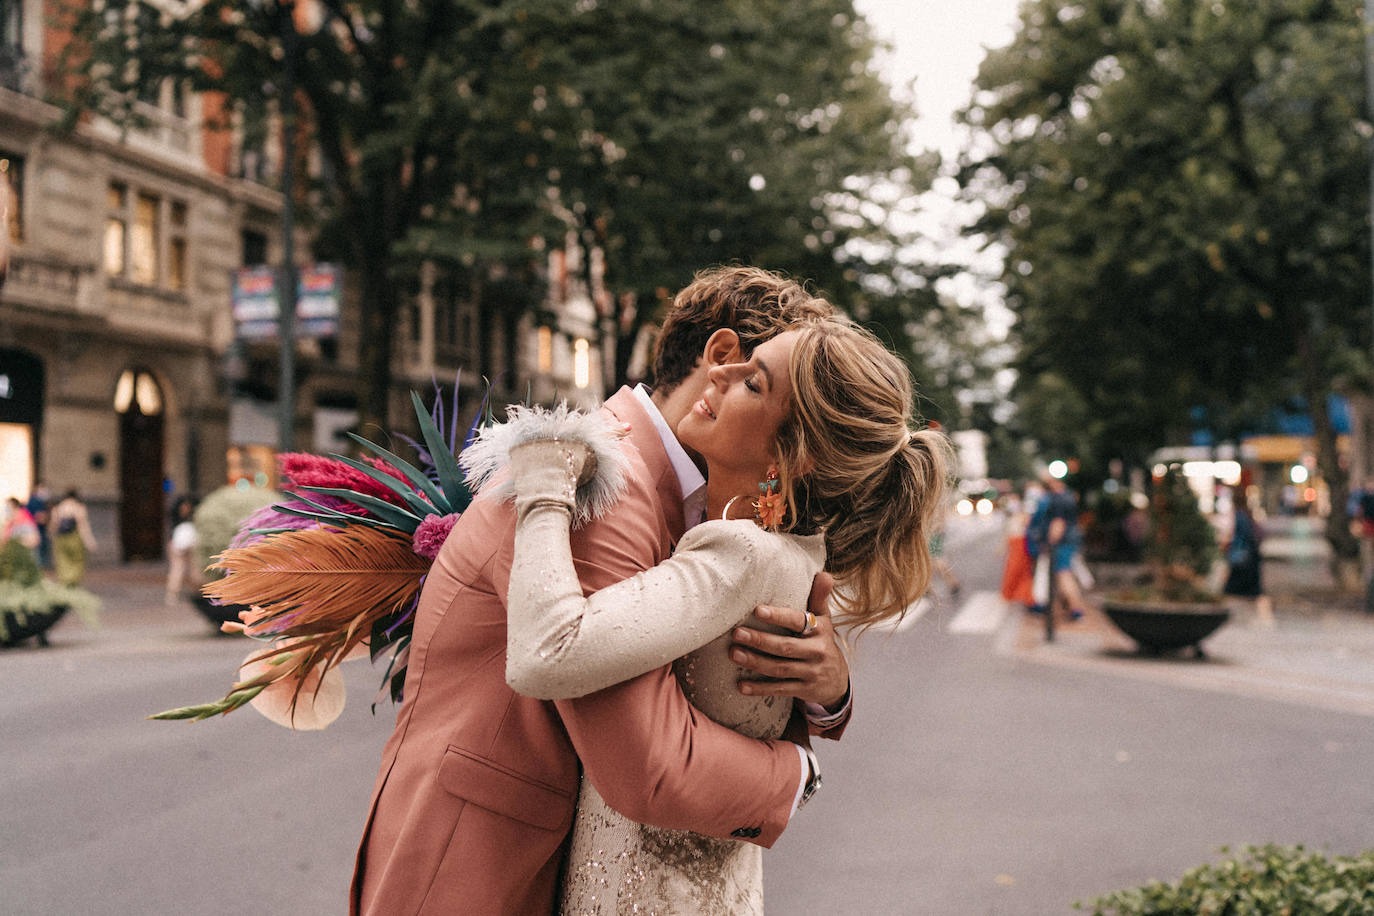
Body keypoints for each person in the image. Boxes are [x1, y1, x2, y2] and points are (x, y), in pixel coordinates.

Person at [352, 267, 854, 915]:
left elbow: (729, 682)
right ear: (722, 356)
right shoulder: (604, 482)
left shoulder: (691, 497)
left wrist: (830, 691)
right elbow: (645, 756)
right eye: (757, 373)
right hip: (479, 867)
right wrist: (797, 777)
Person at [486, 320, 950, 913]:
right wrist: (831, 697)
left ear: (796, 456)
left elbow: (545, 654)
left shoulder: (745, 552)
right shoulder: (789, 551)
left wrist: (546, 481)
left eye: (753, 383)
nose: (720, 371)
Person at [1027, 471, 1086, 622]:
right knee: (1064, 574)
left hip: (1062, 542)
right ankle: (1071, 608)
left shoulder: (1058, 499)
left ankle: (1076, 609)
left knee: (1063, 573)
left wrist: (1050, 543)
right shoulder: (1068, 495)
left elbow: (1058, 524)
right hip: (1070, 539)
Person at [1223, 490, 1272, 622]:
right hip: (1251, 553)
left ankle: (1255, 614)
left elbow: (1242, 534)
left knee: (1237, 585)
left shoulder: (1239, 514)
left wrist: (1232, 546)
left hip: (1245, 553)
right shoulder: (1246, 513)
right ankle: (1259, 614)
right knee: (1249, 586)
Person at [49, 490, 97, 586]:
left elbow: (53, 525)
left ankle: (65, 579)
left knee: (62, 560)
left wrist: (51, 536)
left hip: (61, 538)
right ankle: (72, 580)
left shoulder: (58, 508)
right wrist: (89, 541)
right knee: (77, 560)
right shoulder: (78, 507)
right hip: (74, 538)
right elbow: (83, 526)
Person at [165, 496, 198, 605]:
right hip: (178, 545)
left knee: (194, 570)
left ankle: (197, 592)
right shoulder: (177, 519)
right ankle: (172, 593)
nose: (185, 508)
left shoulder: (192, 518)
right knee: (177, 569)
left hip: (190, 544)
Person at [26, 482, 52, 569]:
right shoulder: (36, 502)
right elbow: (41, 518)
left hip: (38, 530)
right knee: (39, 554)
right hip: (37, 530)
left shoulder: (36, 501)